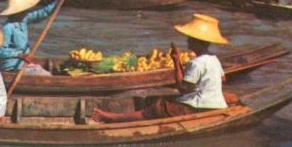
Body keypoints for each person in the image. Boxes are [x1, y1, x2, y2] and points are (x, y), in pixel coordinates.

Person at [92, 14, 229, 122]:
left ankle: (112, 117)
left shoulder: (197, 63)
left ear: (196, 41)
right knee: (162, 100)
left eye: (190, 38)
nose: (187, 40)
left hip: (200, 108)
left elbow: (182, 87)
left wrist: (176, 61)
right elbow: (223, 78)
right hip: (215, 103)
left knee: (158, 108)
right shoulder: (213, 58)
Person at [0, 0, 67, 75]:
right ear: (19, 11)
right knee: (46, 75)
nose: (27, 11)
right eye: (25, 10)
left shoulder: (23, 20)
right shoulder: (8, 28)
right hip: (12, 66)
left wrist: (60, 0)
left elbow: (43, 13)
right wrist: (19, 55)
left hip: (24, 63)